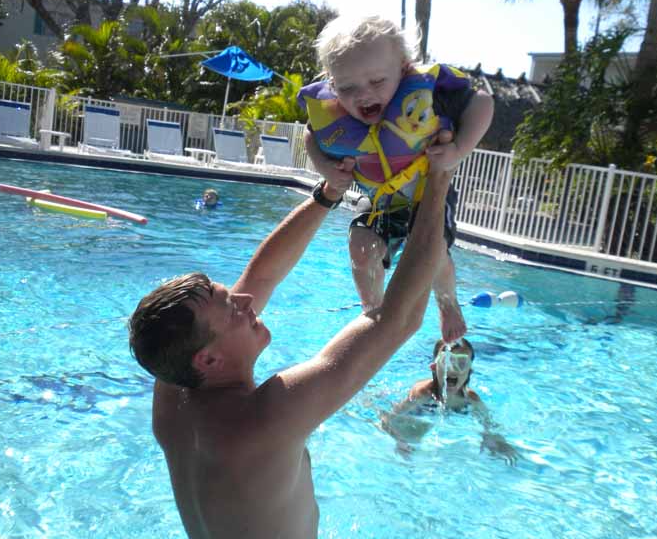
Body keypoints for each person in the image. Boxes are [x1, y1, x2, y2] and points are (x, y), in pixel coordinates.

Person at [128, 143, 457, 539]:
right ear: (208, 360)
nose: (247, 301)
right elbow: (398, 320)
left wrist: (327, 193)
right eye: (233, 309)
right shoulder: (264, 419)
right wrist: (438, 181)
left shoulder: (172, 389)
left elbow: (261, 277)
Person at [299, 15, 494, 344]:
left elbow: (483, 102)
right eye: (347, 88)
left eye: (377, 81)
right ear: (332, 84)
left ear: (403, 68)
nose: (363, 95)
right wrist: (326, 169)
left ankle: (447, 303)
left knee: (434, 254)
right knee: (360, 247)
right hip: (379, 199)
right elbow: (310, 133)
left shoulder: (430, 90)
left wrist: (459, 149)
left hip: (426, 194)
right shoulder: (334, 110)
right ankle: (373, 310)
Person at [380, 338, 518, 466]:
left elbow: (489, 425)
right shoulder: (423, 393)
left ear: (470, 371)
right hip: (418, 415)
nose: (452, 369)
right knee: (413, 438)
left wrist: (496, 441)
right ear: (434, 368)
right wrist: (399, 440)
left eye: (462, 363)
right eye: (446, 362)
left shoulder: (470, 399)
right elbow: (387, 418)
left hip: (436, 414)